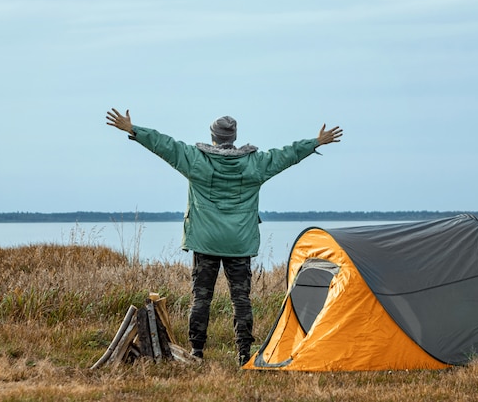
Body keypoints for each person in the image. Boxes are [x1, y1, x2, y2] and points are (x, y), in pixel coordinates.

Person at [105, 108, 343, 365]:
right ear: (234, 136)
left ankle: (197, 351)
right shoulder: (255, 164)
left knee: (201, 298)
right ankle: (243, 353)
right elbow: (286, 156)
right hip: (239, 244)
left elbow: (165, 145)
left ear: (213, 136)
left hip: (205, 241)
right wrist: (316, 142)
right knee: (241, 299)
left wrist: (133, 129)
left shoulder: (196, 160)